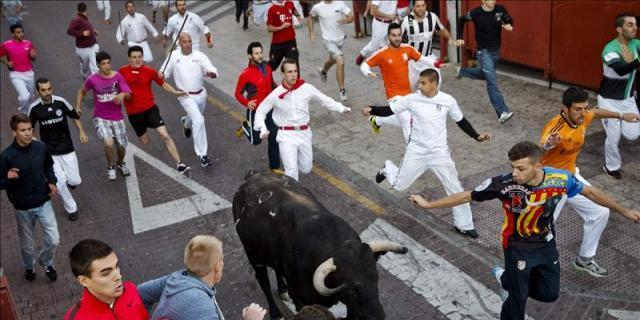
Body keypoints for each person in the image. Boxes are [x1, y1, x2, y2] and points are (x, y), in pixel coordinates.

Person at [409, 141, 640, 320]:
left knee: (550, 294)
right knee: (517, 303)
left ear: (537, 166)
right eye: (513, 167)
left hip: (546, 245)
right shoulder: (504, 183)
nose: (515, 173)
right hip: (517, 246)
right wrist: (430, 204)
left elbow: (590, 193)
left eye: (520, 168)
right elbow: (467, 195)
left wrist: (623, 210)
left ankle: (506, 279)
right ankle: (512, 286)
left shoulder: (561, 179)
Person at [364, 69, 489, 238]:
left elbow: (461, 121)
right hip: (417, 152)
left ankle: (464, 225)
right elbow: (389, 110)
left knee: (454, 188)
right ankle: (388, 168)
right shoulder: (412, 99)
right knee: (399, 185)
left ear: (434, 84)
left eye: (423, 83)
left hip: (440, 154)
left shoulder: (447, 100)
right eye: (419, 82)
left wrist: (477, 136)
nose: (419, 85)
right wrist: (372, 109)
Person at [539, 87, 640, 277]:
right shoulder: (556, 127)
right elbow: (544, 144)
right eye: (577, 109)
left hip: (571, 176)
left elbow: (596, 112)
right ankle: (529, 269)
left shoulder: (583, 116)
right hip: (551, 183)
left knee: (600, 212)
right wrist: (549, 143)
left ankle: (584, 259)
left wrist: (621, 115)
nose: (583, 113)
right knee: (543, 231)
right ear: (565, 108)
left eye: (584, 108)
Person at [254, 59, 351, 181]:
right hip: (286, 135)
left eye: (295, 71)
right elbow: (260, 111)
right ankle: (290, 191)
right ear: (283, 74)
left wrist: (341, 108)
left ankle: (290, 173)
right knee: (292, 171)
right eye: (290, 72)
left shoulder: (307, 88)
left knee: (306, 168)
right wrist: (262, 127)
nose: (294, 74)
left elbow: (324, 100)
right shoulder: (276, 94)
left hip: (304, 134)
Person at [138, 235, 267, 320]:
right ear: (216, 265)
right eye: (222, 259)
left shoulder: (175, 279)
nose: (223, 264)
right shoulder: (201, 308)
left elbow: (140, 293)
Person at [0, 114, 60, 282]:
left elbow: (48, 165)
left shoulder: (40, 147)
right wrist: (8, 179)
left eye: (29, 129)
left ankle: (46, 262)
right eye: (22, 130)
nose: (27, 133)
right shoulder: (6, 156)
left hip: (44, 201)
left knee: (54, 239)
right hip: (22, 208)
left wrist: (52, 182)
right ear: (14, 132)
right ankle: (29, 267)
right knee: (27, 245)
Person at [361, 22, 442, 143]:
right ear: (388, 36)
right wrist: (368, 72)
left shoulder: (407, 49)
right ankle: (412, 152)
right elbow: (364, 65)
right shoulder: (382, 53)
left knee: (403, 117)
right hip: (393, 96)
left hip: (407, 94)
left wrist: (437, 64)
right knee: (407, 120)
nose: (397, 38)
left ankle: (377, 120)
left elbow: (423, 59)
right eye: (394, 35)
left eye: (399, 35)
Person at [119, 45, 192, 175]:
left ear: (143, 57)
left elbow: (163, 84)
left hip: (150, 109)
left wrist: (175, 92)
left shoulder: (150, 71)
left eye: (140, 57)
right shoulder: (122, 72)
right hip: (134, 114)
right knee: (145, 141)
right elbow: (112, 84)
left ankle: (180, 164)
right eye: (134, 57)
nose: (137, 60)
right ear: (129, 58)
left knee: (165, 135)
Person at [28, 78, 88, 221]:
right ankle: (71, 208)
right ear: (38, 91)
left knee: (75, 181)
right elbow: (29, 127)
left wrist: (81, 131)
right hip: (49, 152)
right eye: (43, 90)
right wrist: (35, 141)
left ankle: (70, 183)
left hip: (67, 148)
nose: (47, 92)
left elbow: (75, 116)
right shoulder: (34, 108)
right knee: (59, 182)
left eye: (49, 89)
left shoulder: (61, 102)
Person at [161, 32, 218, 168]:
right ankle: (203, 155)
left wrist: (212, 73)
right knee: (199, 120)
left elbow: (212, 69)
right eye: (185, 42)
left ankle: (186, 123)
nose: (188, 44)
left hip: (201, 94)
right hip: (185, 96)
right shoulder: (173, 56)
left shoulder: (199, 55)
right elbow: (163, 73)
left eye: (190, 41)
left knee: (195, 118)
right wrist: (161, 73)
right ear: (179, 43)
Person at [76, 51, 132, 181]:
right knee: (109, 144)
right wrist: (78, 106)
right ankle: (111, 166)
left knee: (122, 146)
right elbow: (82, 91)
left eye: (108, 63)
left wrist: (123, 94)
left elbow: (128, 93)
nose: (107, 66)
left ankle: (120, 163)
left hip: (117, 117)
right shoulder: (92, 79)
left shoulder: (118, 76)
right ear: (98, 65)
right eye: (103, 64)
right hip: (101, 117)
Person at [456, 0, 514, 124]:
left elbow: (508, 19)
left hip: (495, 51)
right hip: (483, 52)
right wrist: (460, 37)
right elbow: (461, 20)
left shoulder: (500, 9)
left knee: (486, 74)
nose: (492, 1)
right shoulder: (475, 13)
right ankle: (502, 112)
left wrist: (509, 24)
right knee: (492, 82)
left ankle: (463, 71)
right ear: (483, 0)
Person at [597, 12, 640, 179]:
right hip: (608, 101)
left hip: (628, 100)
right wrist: (636, 63)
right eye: (630, 25)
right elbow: (621, 69)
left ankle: (618, 120)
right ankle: (611, 166)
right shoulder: (609, 49)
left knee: (632, 134)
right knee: (613, 136)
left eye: (636, 24)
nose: (635, 28)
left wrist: (634, 61)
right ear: (619, 29)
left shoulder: (636, 44)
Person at [64, 239, 148, 319]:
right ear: (84, 281)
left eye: (117, 266)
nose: (119, 276)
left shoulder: (130, 289)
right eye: (106, 273)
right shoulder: (75, 317)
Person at [234, 41, 282, 174]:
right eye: (256, 53)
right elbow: (237, 93)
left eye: (261, 52)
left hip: (269, 109)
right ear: (250, 56)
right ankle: (245, 126)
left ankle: (275, 166)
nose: (260, 55)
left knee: (274, 136)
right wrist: (246, 103)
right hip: (254, 110)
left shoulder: (267, 68)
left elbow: (272, 84)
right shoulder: (245, 74)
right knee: (256, 141)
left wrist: (282, 91)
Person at [401, 0, 462, 90]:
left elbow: (441, 29)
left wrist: (450, 38)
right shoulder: (406, 21)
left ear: (426, 5)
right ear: (413, 7)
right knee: (407, 88)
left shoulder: (432, 17)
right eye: (418, 6)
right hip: (412, 61)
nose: (421, 9)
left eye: (423, 5)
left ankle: (429, 102)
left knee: (436, 82)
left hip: (428, 58)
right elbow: (397, 38)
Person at [308, 0, 353, 101]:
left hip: (340, 39)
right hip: (328, 40)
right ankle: (342, 91)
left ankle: (323, 72)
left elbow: (351, 17)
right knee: (340, 62)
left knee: (332, 59)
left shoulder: (340, 4)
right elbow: (310, 17)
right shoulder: (317, 7)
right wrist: (311, 33)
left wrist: (345, 20)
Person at [0, 22, 35, 114]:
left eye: (22, 32)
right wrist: (7, 62)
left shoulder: (28, 43)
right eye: (18, 32)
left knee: (31, 97)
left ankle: (30, 111)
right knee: (24, 96)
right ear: (12, 34)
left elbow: (33, 58)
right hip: (16, 74)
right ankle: (24, 112)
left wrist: (33, 56)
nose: (21, 34)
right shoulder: (6, 45)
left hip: (29, 73)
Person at [354, 0, 397, 65]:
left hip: (391, 23)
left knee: (390, 44)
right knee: (374, 45)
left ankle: (387, 64)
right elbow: (373, 11)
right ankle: (363, 54)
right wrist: (388, 16)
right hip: (380, 24)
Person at [266, 0, 303, 71]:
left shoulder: (289, 3)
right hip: (277, 44)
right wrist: (281, 27)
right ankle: (260, 77)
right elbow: (269, 28)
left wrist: (298, 15)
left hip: (291, 41)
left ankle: (295, 81)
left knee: (294, 65)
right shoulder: (271, 9)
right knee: (271, 67)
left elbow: (293, 9)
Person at [67, 2, 100, 79]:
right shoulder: (77, 19)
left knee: (94, 65)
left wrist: (93, 31)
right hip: (83, 48)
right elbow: (69, 31)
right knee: (85, 67)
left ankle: (97, 81)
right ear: (86, 9)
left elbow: (87, 27)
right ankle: (84, 73)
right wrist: (82, 33)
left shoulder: (85, 18)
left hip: (92, 46)